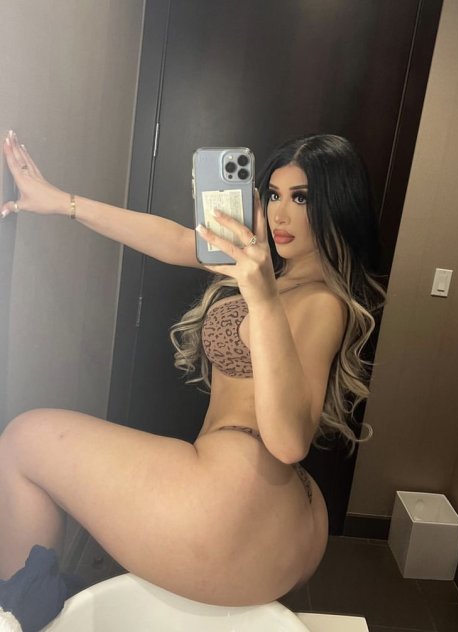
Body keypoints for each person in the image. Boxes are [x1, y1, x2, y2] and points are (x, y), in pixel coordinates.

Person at [0, 131, 384, 609]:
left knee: (22, 439)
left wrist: (263, 298)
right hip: (275, 511)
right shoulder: (265, 268)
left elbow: (289, 443)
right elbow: (175, 241)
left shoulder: (322, 302)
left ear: (337, 204)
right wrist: (62, 202)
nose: (280, 215)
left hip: (234, 499)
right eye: (273, 195)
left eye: (301, 198)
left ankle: (21, 613)